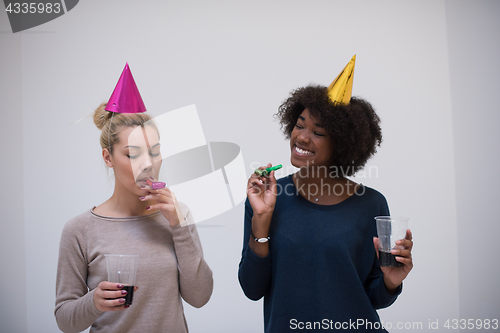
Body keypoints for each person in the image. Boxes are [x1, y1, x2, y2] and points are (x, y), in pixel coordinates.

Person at [238, 56, 413, 332]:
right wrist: (261, 219)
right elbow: (252, 288)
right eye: (299, 124)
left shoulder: (371, 203)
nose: (303, 137)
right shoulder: (268, 198)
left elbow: (374, 297)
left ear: (342, 144)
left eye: (318, 132)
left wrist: (392, 280)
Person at [55, 65, 213, 333]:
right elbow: (65, 320)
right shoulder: (80, 230)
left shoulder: (177, 213)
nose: (147, 165)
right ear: (108, 158)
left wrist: (179, 225)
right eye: (132, 154)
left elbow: (200, 298)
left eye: (154, 152)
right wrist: (94, 301)